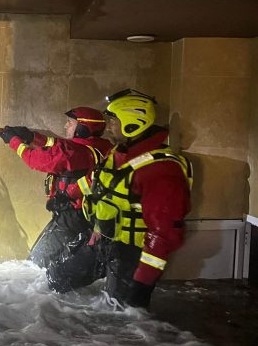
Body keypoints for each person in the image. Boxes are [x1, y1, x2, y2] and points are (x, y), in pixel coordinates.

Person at [46, 90, 192, 309]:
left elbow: (163, 234)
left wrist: (143, 281)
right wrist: (68, 195)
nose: (108, 126)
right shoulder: (120, 153)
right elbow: (97, 180)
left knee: (120, 318)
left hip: (132, 255)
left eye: (113, 121)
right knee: (54, 279)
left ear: (133, 123)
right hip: (102, 240)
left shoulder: (161, 169)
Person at [0, 107, 112, 269]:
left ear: (83, 128)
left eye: (70, 123)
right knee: (60, 265)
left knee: (35, 266)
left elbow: (36, 159)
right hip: (88, 216)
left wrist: (14, 141)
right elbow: (57, 144)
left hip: (70, 218)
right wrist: (32, 137)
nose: (66, 126)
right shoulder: (101, 147)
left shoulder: (73, 152)